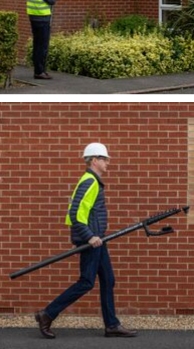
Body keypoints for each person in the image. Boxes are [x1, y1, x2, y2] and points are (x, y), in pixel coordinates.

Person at [35, 144, 137, 340]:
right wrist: (88, 236)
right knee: (86, 281)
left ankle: (112, 325)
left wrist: (89, 236)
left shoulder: (92, 181)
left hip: (98, 239)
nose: (108, 162)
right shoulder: (89, 181)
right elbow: (75, 214)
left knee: (108, 280)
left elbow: (81, 213)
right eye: (105, 159)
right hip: (92, 240)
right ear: (94, 160)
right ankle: (47, 314)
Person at [26, 0, 62, 79]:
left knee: (37, 46)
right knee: (43, 47)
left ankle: (38, 70)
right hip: (43, 21)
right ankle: (40, 72)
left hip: (34, 20)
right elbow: (51, 1)